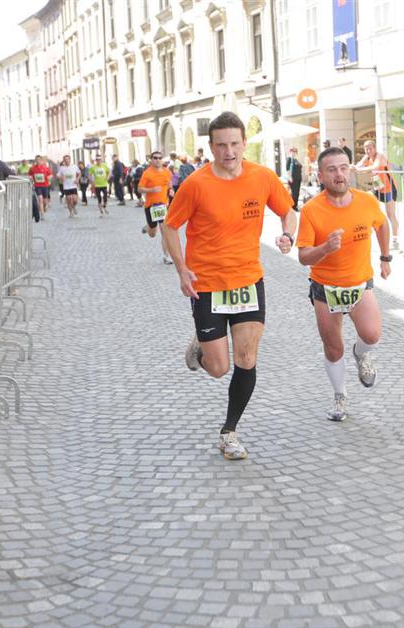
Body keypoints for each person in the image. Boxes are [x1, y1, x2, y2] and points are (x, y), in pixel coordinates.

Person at [161, 112, 297, 461]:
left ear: (244, 143)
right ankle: (201, 351)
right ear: (211, 147)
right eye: (221, 145)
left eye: (235, 144)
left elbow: (288, 211)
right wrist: (181, 270)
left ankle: (229, 431)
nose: (229, 151)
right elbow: (170, 226)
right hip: (207, 284)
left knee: (247, 358)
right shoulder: (197, 184)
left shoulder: (262, 177)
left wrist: (287, 234)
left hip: (248, 280)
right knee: (219, 368)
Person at [297, 146, 391, 421]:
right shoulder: (311, 210)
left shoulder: (366, 201)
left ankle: (361, 354)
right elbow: (303, 256)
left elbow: (382, 224)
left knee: (372, 335)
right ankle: (340, 397)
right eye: (331, 170)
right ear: (320, 176)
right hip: (325, 288)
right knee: (333, 346)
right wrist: (325, 248)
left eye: (343, 168)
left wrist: (385, 257)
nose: (339, 174)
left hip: (359, 283)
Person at [353, 140, 399, 250]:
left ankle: (395, 240)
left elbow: (375, 167)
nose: (368, 150)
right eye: (366, 148)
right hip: (377, 184)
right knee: (367, 202)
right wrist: (352, 167)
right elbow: (358, 165)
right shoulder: (367, 157)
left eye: (370, 148)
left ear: (375, 148)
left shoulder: (380, 156)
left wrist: (359, 170)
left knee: (390, 214)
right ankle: (368, 229)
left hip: (388, 187)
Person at [137, 151, 173, 264]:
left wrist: (171, 190)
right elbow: (139, 189)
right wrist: (151, 190)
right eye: (155, 158)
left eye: (159, 158)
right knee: (152, 234)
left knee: (165, 231)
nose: (157, 160)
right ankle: (149, 227)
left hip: (163, 205)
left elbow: (169, 184)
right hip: (150, 206)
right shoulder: (147, 173)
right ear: (151, 160)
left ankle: (166, 256)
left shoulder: (167, 172)